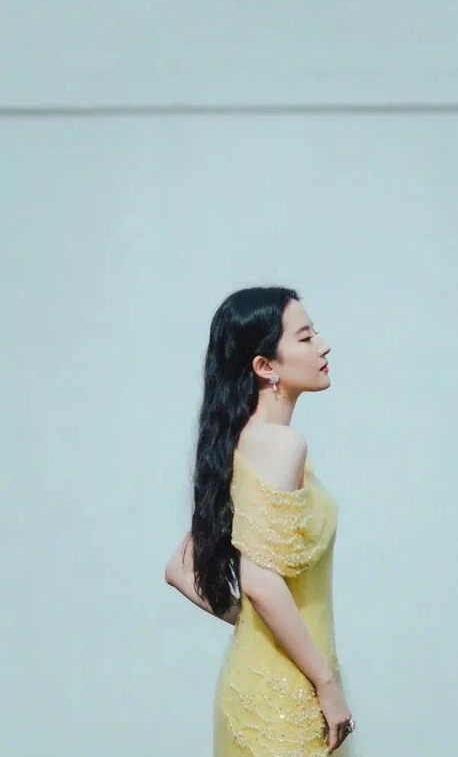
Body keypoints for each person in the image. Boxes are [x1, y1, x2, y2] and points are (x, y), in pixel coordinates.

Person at [164, 285, 356, 755]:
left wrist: (255, 627)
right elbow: (260, 580)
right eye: (306, 337)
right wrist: (325, 682)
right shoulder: (281, 446)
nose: (323, 346)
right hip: (286, 697)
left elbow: (179, 568)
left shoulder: (240, 443)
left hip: (264, 682)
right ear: (265, 366)